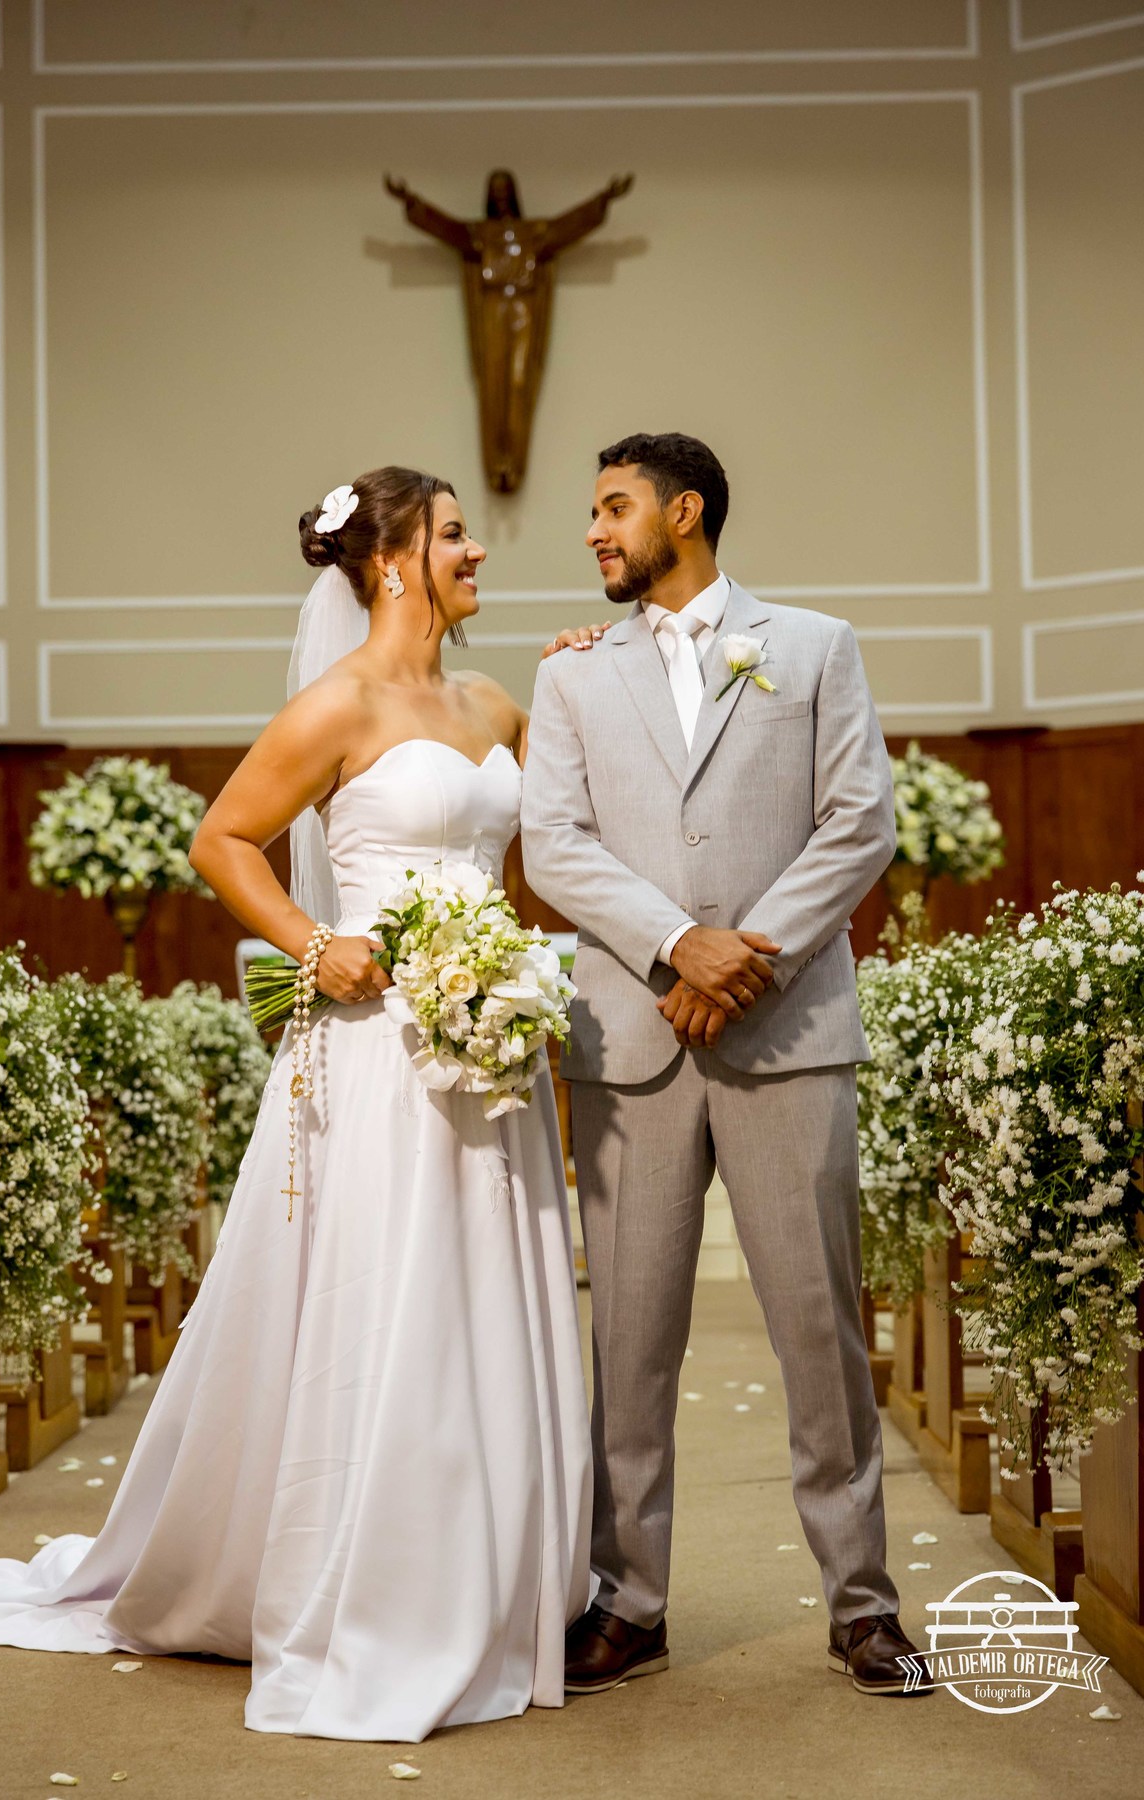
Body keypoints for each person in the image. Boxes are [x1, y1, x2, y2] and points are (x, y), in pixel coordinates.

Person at [0, 467, 593, 1742]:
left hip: (492, 1054)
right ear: (392, 562)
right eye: (454, 535)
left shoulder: (494, 701)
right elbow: (223, 839)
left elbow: (561, 807)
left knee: (482, 1292)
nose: (477, 553)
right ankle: (377, 1584)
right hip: (379, 1049)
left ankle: (497, 1574)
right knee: (390, 1294)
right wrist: (314, 943)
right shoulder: (337, 703)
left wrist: (582, 679)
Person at [521, 431, 929, 1699]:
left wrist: (747, 957)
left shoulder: (814, 645)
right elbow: (553, 842)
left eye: (613, 506)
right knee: (630, 1343)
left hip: (787, 1031)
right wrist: (675, 944)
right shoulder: (572, 675)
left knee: (819, 1329)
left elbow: (859, 821)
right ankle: (627, 1603)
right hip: (632, 1041)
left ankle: (863, 1605)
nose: (593, 530)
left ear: (684, 511)